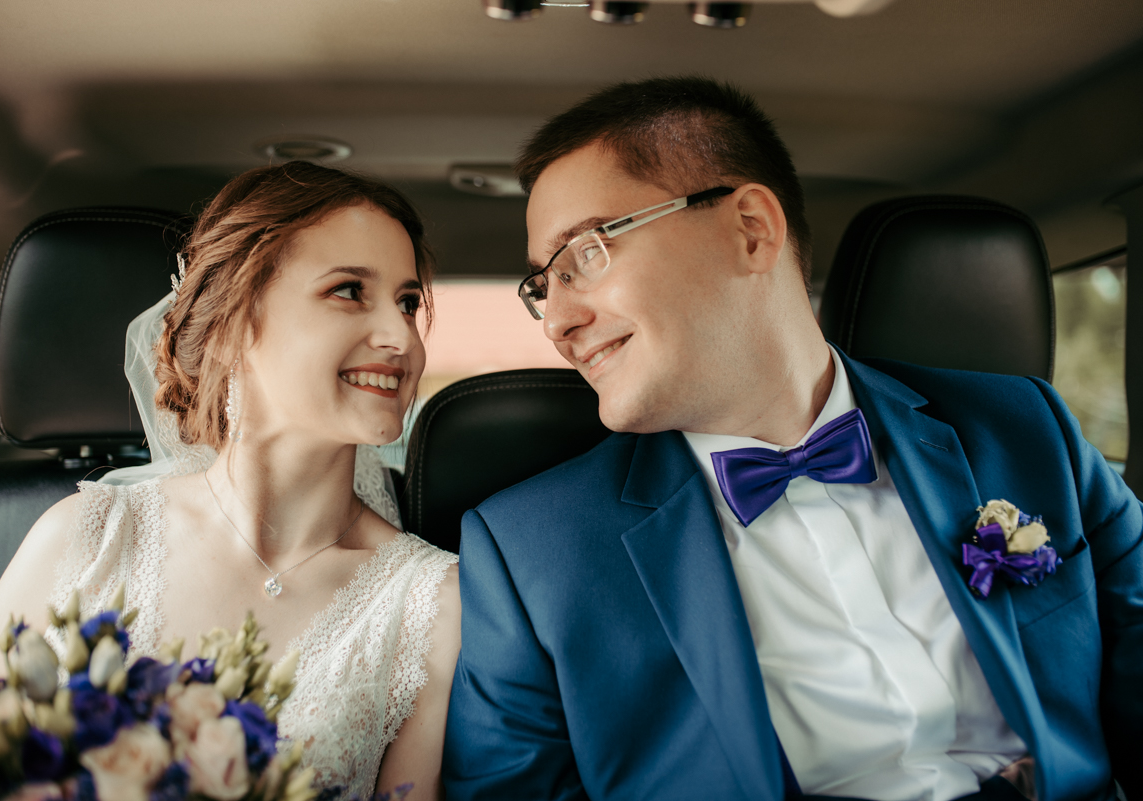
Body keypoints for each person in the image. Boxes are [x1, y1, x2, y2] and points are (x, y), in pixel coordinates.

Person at [442, 77, 1142, 801]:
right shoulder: (530, 554)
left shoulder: (1024, 427)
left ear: (750, 229)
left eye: (584, 254)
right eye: (543, 285)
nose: (557, 323)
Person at [0, 162, 460, 798]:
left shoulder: (431, 603)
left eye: (408, 302)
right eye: (348, 290)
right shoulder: (84, 538)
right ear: (233, 323)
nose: (401, 337)